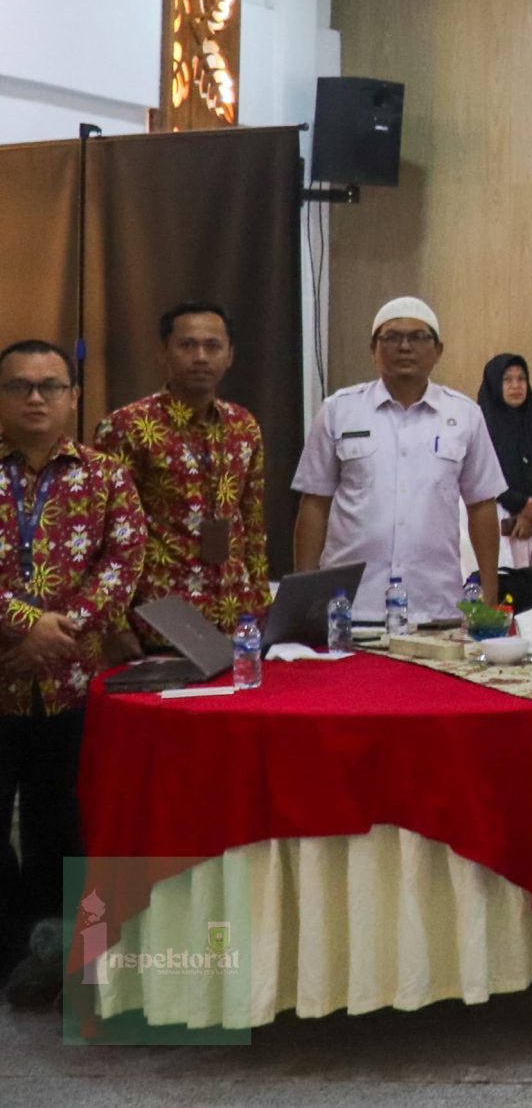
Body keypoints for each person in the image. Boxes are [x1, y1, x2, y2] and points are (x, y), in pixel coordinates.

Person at [0, 340, 146, 1002]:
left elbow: (123, 562)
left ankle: (60, 962)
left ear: (73, 396)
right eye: (21, 386)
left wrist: (66, 629)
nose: (36, 397)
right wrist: (26, 626)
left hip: (73, 683)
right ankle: (7, 956)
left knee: (65, 824)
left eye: (50, 385)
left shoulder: (107, 474)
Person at [293, 298, 504, 622]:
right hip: (350, 608)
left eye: (419, 337)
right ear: (373, 349)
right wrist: (304, 597)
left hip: (435, 607)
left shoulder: (465, 416)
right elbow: (314, 504)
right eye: (391, 337)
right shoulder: (339, 411)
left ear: (438, 350)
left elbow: (481, 505)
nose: (405, 346)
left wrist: (490, 591)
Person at [92, 301, 267, 640]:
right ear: (164, 352)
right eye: (188, 345)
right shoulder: (126, 427)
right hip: (159, 620)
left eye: (212, 346)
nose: (201, 357)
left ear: (230, 355)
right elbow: (101, 532)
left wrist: (260, 606)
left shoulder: (243, 425)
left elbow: (253, 522)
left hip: (235, 618)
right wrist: (114, 626)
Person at [473, 353, 532, 571]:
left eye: (521, 379)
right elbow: (478, 473)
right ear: (495, 383)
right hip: (495, 514)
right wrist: (522, 505)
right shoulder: (479, 422)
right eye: (507, 380)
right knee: (501, 589)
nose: (516, 386)